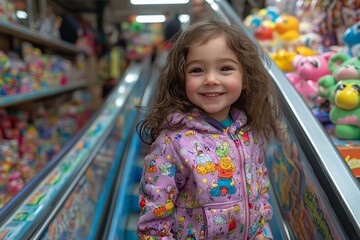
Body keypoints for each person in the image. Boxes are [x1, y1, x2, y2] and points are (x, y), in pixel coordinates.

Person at [137, 19, 280, 240]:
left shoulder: (249, 133)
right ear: (181, 79)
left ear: (245, 78)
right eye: (197, 70)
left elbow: (260, 190)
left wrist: (261, 232)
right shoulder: (173, 144)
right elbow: (154, 224)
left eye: (225, 68)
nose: (211, 79)